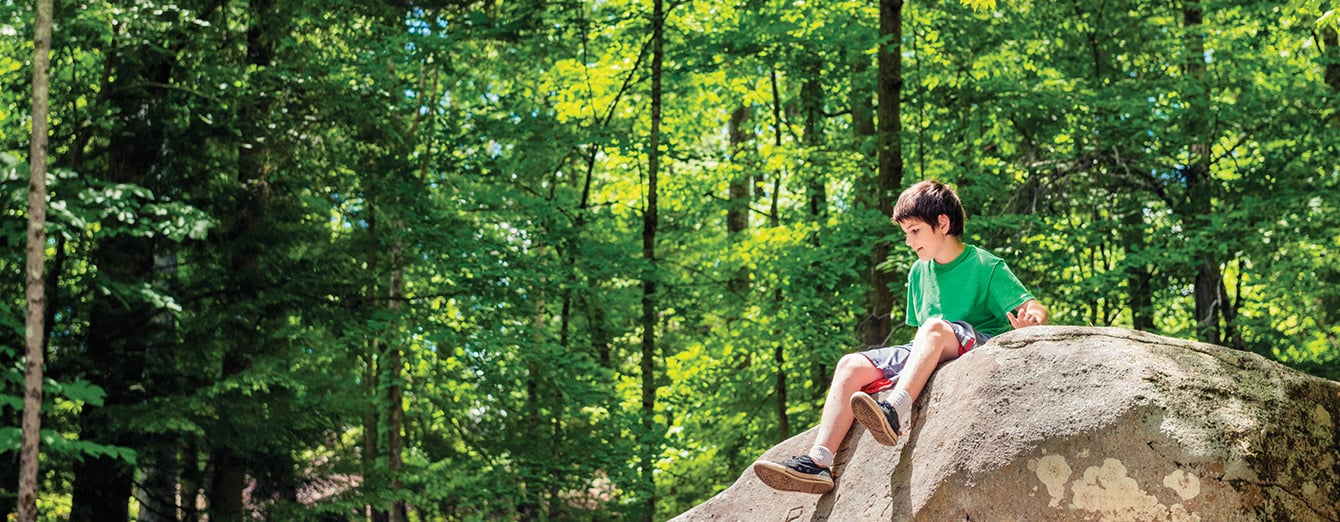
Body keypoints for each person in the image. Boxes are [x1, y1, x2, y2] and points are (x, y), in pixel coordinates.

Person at [751, 179, 1049, 494]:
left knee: (933, 327)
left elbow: (1032, 305)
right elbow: (921, 340)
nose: (908, 241)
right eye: (905, 233)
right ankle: (819, 462)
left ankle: (893, 412)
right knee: (850, 365)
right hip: (935, 341)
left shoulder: (984, 265)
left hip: (978, 345)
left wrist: (1033, 319)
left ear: (942, 223)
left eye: (915, 231)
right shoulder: (918, 273)